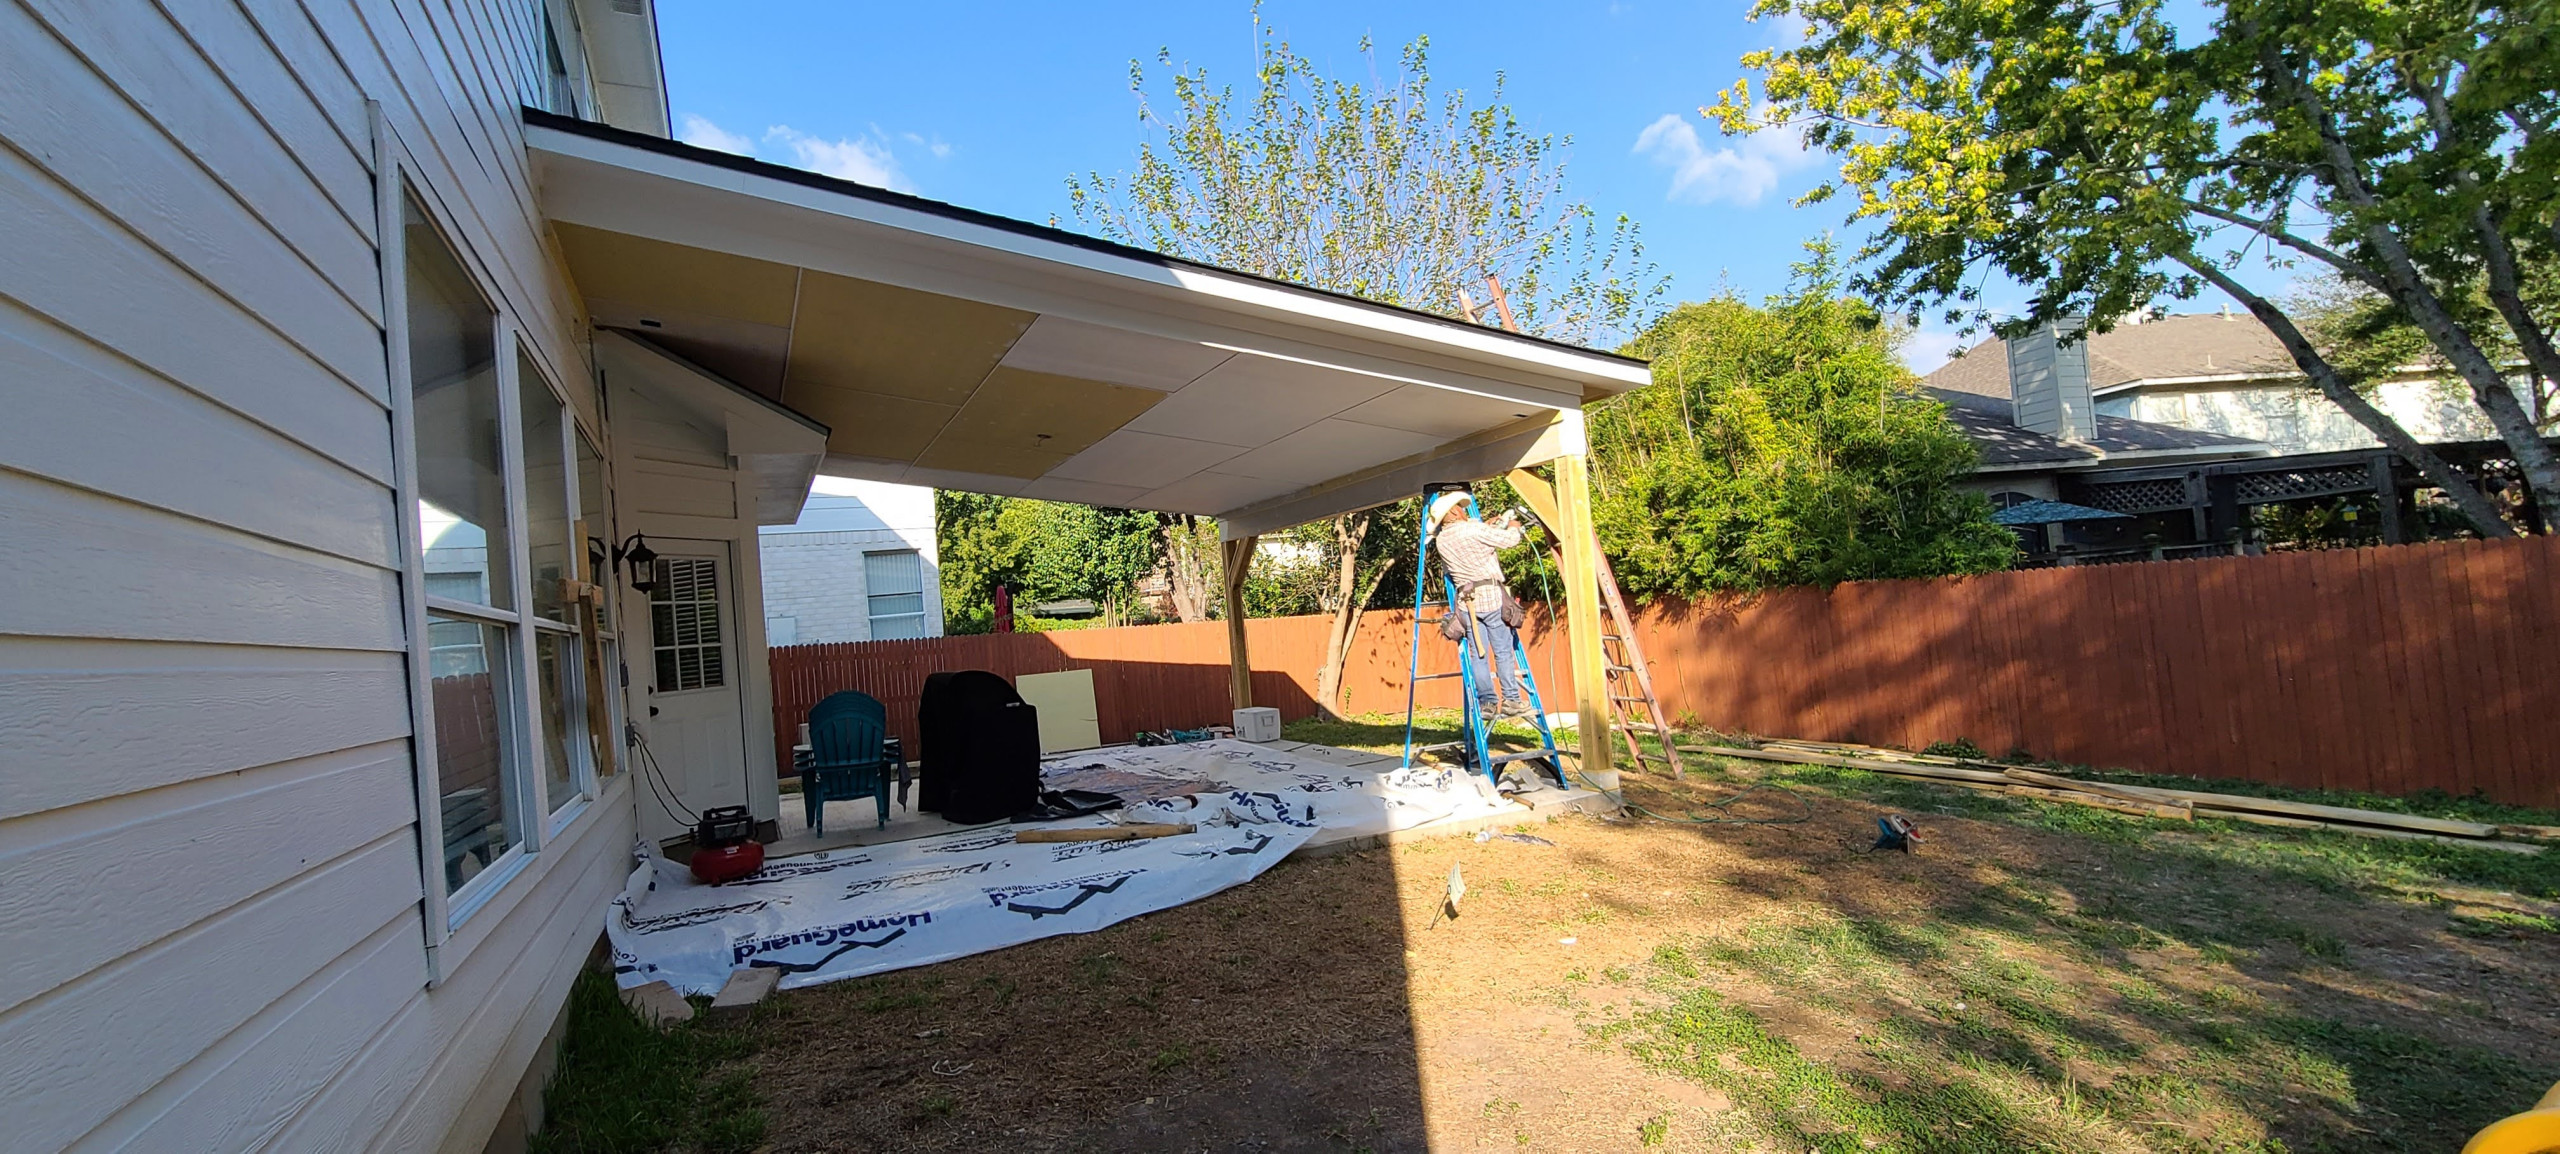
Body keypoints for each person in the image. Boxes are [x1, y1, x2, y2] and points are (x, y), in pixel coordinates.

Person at [1427, 490, 1531, 719]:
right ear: (1454, 511)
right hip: (1490, 597)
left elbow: (1473, 544)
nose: (1464, 510)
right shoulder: (1474, 530)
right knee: (1503, 651)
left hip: (1467, 603)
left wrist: (1488, 525)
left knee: (1478, 655)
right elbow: (1510, 541)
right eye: (1461, 508)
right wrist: (1512, 525)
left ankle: (1487, 703)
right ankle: (1512, 700)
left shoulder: (1442, 540)